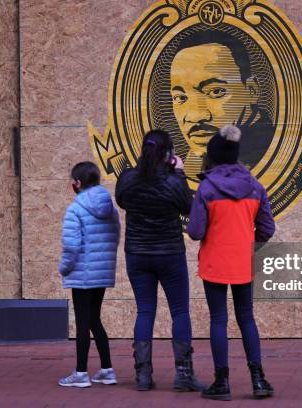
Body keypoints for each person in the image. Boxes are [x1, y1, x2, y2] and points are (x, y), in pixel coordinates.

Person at [187, 125, 276, 401]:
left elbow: (196, 232)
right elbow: (267, 228)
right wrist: (248, 240)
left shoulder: (206, 188)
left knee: (218, 320)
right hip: (243, 261)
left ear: (212, 155)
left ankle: (222, 382)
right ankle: (258, 380)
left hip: (215, 261)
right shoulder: (255, 186)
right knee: (246, 317)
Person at [115, 129, 203, 392]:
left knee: (145, 311)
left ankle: (143, 376)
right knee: (179, 311)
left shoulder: (128, 178)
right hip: (169, 254)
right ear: (169, 154)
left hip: (137, 254)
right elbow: (188, 207)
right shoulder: (174, 180)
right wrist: (179, 173)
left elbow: (121, 200)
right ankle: (184, 375)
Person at [169, 29, 275, 179]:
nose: (195, 116)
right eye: (180, 98)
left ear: (252, 90)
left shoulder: (264, 152)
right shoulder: (193, 161)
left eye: (216, 92)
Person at [58, 162, 120, 388]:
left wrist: (64, 268)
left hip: (82, 273)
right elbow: (115, 236)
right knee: (94, 318)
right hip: (101, 272)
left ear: (77, 183)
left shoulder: (75, 209)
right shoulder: (109, 207)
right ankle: (107, 369)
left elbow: (71, 246)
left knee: (83, 322)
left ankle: (81, 373)